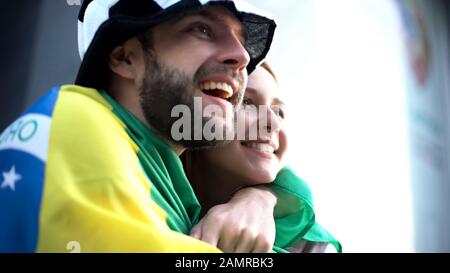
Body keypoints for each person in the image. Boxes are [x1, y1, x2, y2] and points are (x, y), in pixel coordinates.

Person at [0, 0, 283, 252]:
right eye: (202, 29)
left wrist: (260, 197)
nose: (243, 57)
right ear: (125, 58)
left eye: (241, 39)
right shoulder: (79, 117)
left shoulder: (163, 178)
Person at [183, 62, 342, 253]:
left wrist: (262, 198)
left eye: (278, 111)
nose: (273, 122)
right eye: (246, 102)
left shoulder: (311, 246)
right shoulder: (150, 186)